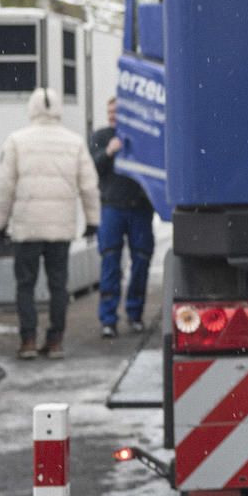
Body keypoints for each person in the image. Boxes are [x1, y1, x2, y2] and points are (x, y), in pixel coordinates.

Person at [0, 88, 99, 360]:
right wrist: (92, 221)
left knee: (25, 285)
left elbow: (5, 186)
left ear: (32, 109)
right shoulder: (74, 142)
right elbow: (89, 186)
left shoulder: (16, 141)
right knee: (58, 285)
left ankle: (28, 340)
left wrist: (0, 223)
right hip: (60, 229)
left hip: (26, 228)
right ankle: (55, 341)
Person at [90, 97, 156, 337]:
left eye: (116, 112)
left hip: (140, 208)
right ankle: (108, 319)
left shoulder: (143, 135)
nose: (112, 117)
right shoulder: (100, 137)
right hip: (111, 208)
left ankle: (135, 314)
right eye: (109, 112)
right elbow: (92, 169)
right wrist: (109, 151)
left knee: (141, 261)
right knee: (110, 262)